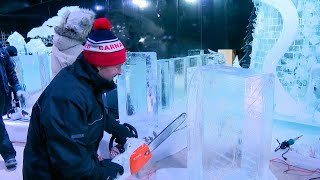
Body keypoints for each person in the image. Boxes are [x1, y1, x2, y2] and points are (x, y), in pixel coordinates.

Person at [23, 18, 136, 180]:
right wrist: (103, 172)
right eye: (117, 66)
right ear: (99, 65)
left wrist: (117, 129)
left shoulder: (88, 81)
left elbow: (91, 115)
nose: (120, 72)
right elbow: (70, 161)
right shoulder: (66, 97)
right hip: (49, 174)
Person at [0, 43, 26, 169]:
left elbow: (11, 72)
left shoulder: (3, 53)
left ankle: (9, 155)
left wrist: (17, 88)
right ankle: (9, 155)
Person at [51, 8, 95, 78]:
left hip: (56, 86)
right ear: (83, 30)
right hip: (76, 88)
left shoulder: (56, 44)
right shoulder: (82, 52)